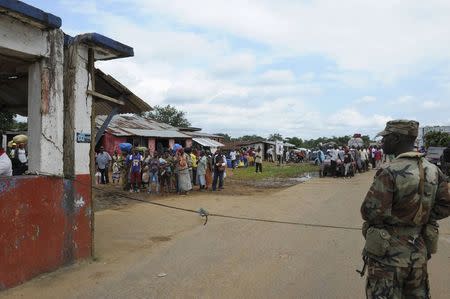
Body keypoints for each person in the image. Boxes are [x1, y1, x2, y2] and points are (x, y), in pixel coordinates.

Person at [360, 120, 450, 298]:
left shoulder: (389, 171)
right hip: (418, 253)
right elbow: (446, 204)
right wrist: (421, 216)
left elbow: (370, 212)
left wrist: (398, 217)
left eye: (385, 138)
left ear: (396, 138)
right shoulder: (432, 170)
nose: (382, 142)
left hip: (388, 257)